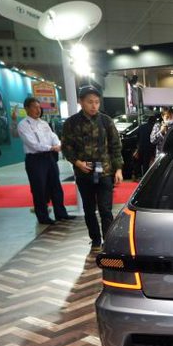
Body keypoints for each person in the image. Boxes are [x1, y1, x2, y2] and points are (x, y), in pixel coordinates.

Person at [61, 86, 123, 252]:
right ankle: (95, 239)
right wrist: (77, 162)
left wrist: (118, 169)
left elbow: (115, 146)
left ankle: (108, 241)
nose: (94, 105)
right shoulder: (71, 123)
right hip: (84, 172)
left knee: (105, 209)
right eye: (90, 102)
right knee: (89, 209)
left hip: (105, 171)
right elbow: (66, 147)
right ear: (81, 102)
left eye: (97, 102)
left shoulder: (106, 121)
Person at [17, 97, 73, 225]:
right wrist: (51, 147)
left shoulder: (43, 123)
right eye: (34, 107)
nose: (38, 110)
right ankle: (43, 217)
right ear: (27, 109)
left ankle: (61, 213)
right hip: (35, 159)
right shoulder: (23, 125)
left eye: (39, 107)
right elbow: (32, 144)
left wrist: (57, 144)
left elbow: (53, 136)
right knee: (39, 189)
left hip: (49, 157)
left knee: (56, 186)